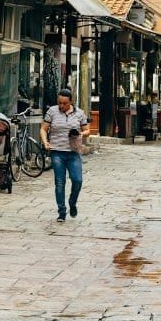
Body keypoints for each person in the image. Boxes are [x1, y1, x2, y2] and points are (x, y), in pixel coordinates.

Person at [41, 88, 90, 222]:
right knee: (60, 182)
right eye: (60, 103)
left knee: (77, 180)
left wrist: (80, 133)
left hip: (73, 152)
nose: (61, 106)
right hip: (57, 152)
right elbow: (43, 128)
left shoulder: (79, 113)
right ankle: (61, 211)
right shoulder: (52, 111)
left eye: (64, 103)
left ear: (71, 102)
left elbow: (87, 130)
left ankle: (72, 202)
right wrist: (46, 142)